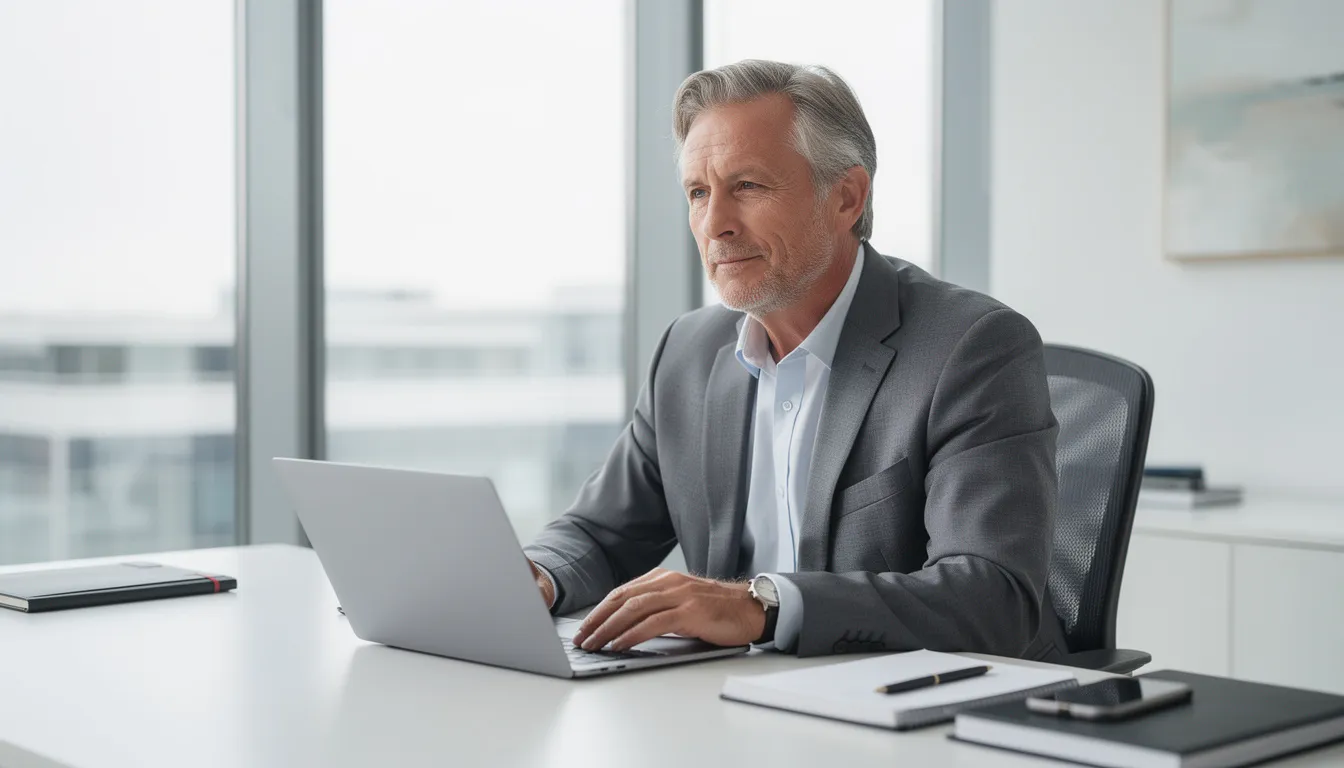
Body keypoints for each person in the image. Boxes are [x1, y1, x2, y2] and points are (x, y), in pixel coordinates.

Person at [523, 59, 1068, 661]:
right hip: (729, 704)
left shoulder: (972, 347)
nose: (715, 225)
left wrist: (763, 607)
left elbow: (992, 598)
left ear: (847, 197)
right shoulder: (688, 351)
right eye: (698, 193)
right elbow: (601, 534)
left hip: (917, 712)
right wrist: (537, 576)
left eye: (748, 187)